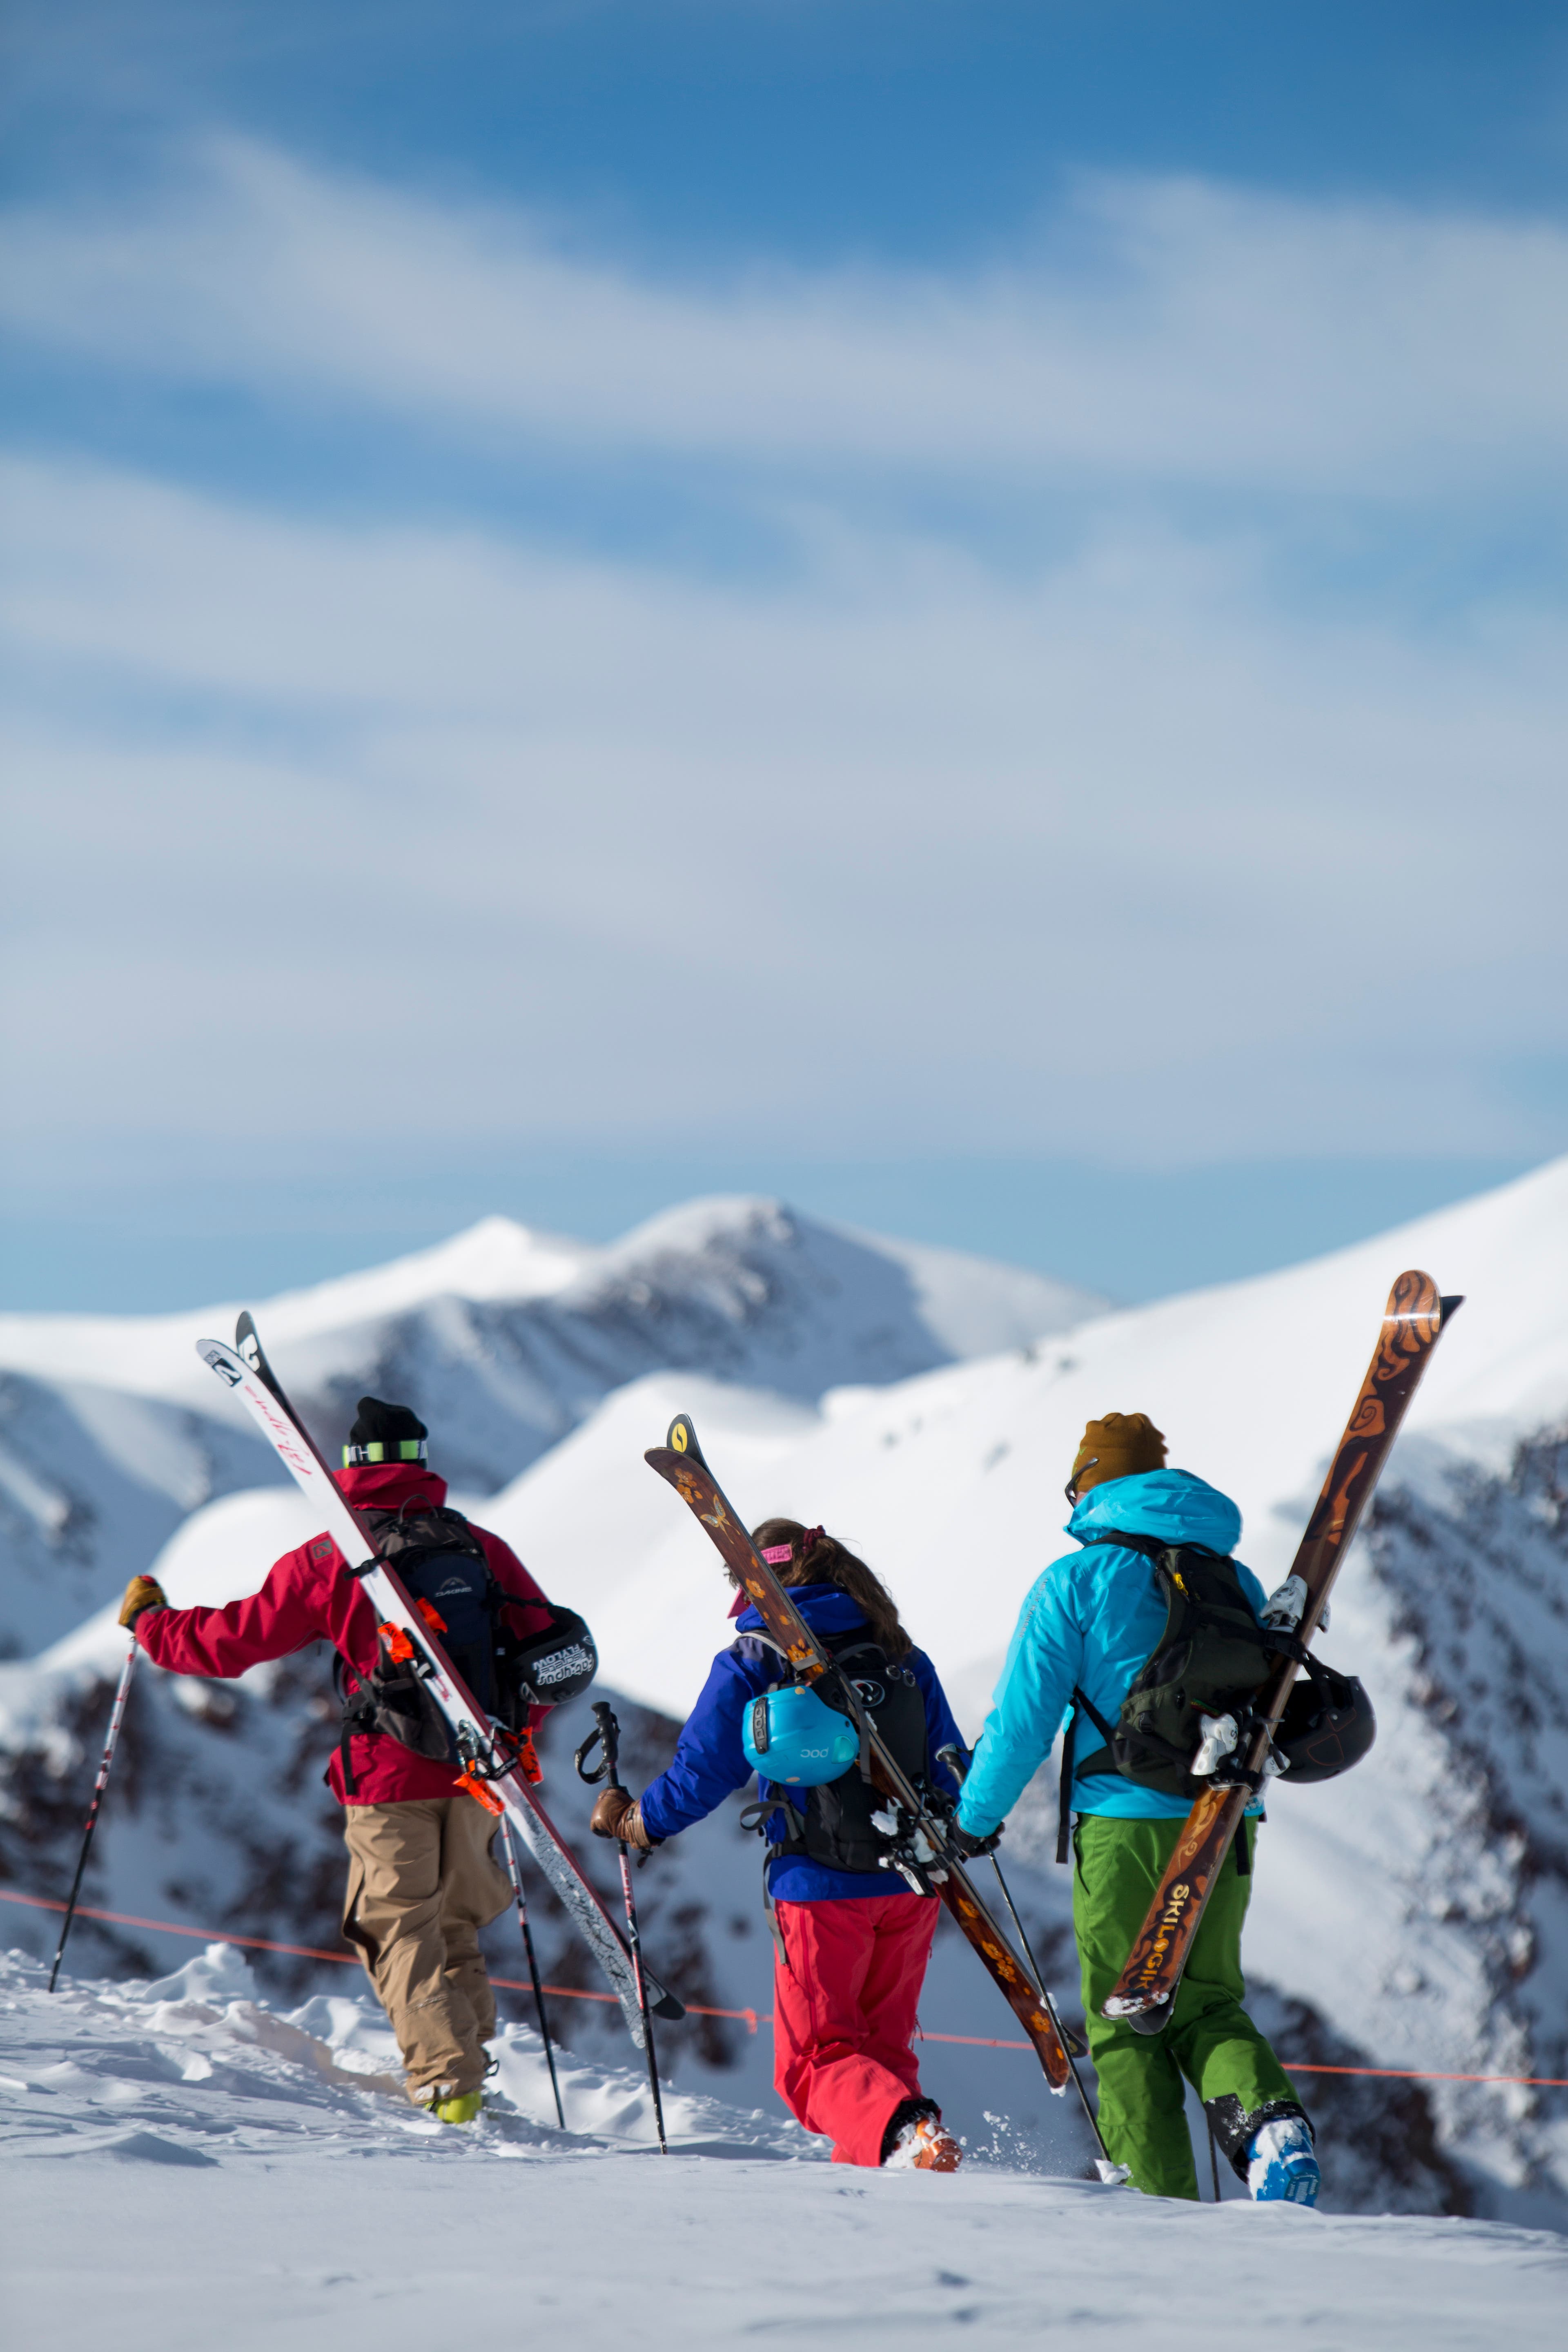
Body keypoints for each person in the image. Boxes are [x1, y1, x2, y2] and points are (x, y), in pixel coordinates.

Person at [118, 1396, 565, 2125]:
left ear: (352, 1468)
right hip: (483, 1772)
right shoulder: (479, 1546)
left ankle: (450, 2089)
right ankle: (468, 2069)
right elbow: (545, 1653)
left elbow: (235, 1641)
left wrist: (152, 1625)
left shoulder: (332, 1557)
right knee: (452, 1923)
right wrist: (515, 1737)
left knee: (397, 1926)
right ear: (420, 1462)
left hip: (387, 1774)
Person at [951, 1413, 1320, 2206]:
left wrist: (972, 1820)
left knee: (1126, 2021)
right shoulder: (1234, 1578)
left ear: (1091, 1486)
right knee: (1208, 2003)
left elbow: (1022, 1722)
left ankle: (1160, 2208)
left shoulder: (1075, 1581)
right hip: (1226, 1822)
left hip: (1124, 1825)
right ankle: (1270, 2133)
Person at [590, 1518, 969, 2171]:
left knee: (813, 2063)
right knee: (880, 2053)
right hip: (912, 1885)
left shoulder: (759, 1656)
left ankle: (910, 2136)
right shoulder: (903, 1654)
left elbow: (705, 1768)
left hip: (820, 1886)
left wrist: (640, 1823)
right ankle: (904, 2167)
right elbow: (951, 1767)